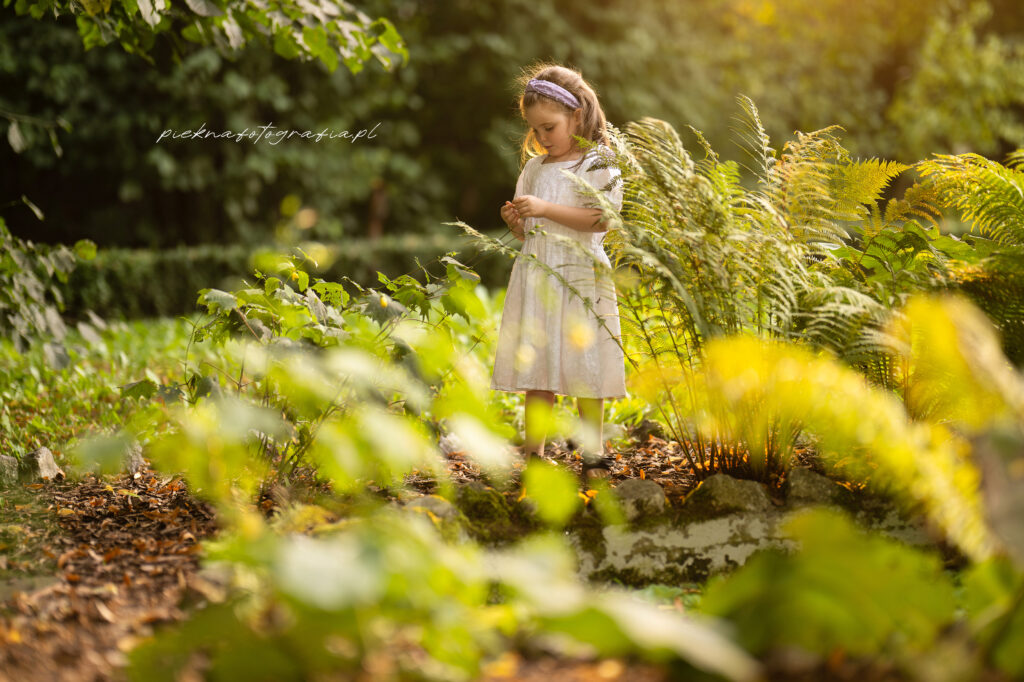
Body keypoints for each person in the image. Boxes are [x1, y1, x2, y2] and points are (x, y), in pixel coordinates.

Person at [491, 62, 626, 481]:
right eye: (535, 130)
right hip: (538, 273)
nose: (542, 138)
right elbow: (529, 231)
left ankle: (593, 451)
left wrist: (545, 208)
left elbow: (603, 219)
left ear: (577, 116)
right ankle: (535, 453)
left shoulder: (597, 162)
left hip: (581, 273)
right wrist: (518, 223)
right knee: (538, 366)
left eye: (549, 128)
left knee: (585, 363)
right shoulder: (534, 168)